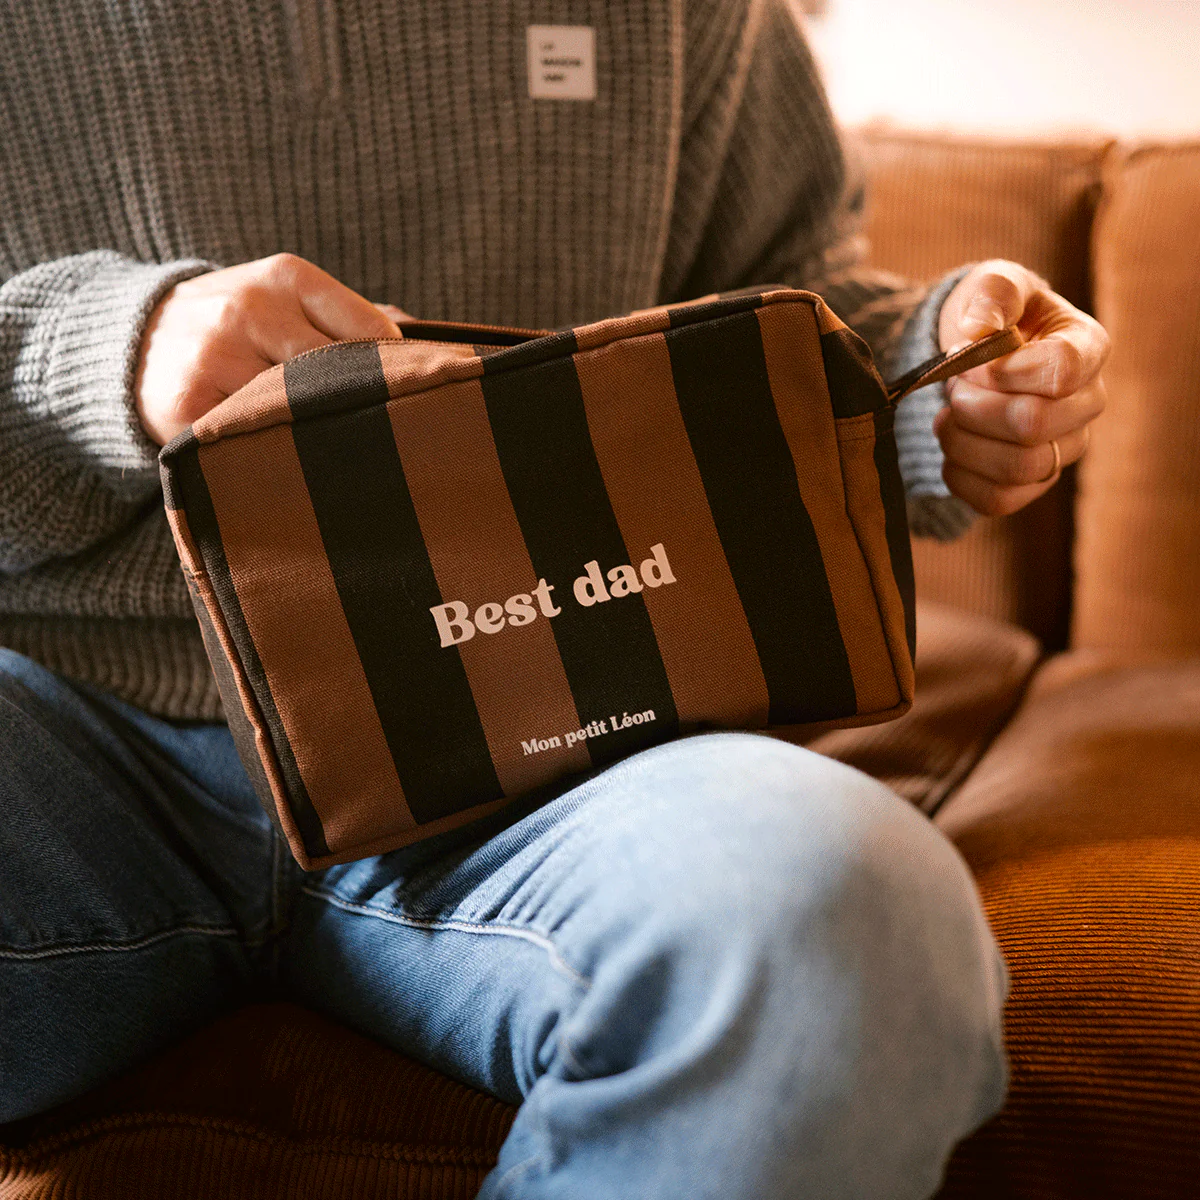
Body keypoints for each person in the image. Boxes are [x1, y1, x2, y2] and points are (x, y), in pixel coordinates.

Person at [0, 1, 1107, 1196]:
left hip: (558, 748)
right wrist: (109, 352)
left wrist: (936, 386)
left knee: (861, 925)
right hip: (68, 742)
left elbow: (790, 324)